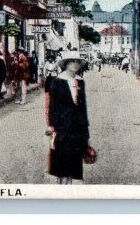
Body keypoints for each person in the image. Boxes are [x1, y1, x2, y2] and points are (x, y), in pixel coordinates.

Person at [47, 49, 91, 184]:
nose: (75, 64)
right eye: (72, 61)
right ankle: (61, 187)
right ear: (66, 64)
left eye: (77, 62)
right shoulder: (57, 81)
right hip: (62, 127)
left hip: (77, 128)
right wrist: (53, 127)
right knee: (62, 161)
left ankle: (69, 187)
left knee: (73, 161)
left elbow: (83, 107)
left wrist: (86, 131)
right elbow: (52, 107)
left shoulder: (80, 82)